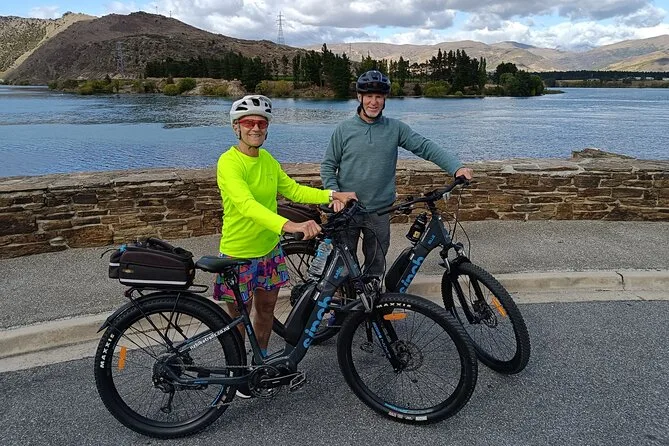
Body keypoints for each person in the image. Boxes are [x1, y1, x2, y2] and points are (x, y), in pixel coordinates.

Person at [214, 94, 356, 396]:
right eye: (248, 122)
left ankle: (260, 365)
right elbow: (246, 205)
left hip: (269, 251)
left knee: (266, 311)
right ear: (236, 127)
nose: (255, 127)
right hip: (238, 254)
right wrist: (290, 225)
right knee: (238, 319)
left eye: (261, 123)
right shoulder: (229, 162)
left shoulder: (267, 160)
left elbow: (293, 190)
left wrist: (333, 195)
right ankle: (237, 373)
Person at [321, 70, 473, 279]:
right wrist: (335, 194)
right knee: (343, 268)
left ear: (385, 99)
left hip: (380, 210)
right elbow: (328, 166)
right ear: (359, 97)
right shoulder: (344, 129)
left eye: (379, 96)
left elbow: (424, 146)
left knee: (376, 265)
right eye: (369, 96)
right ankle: (344, 298)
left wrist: (456, 167)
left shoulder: (395, 128)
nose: (373, 102)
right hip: (347, 209)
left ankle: (373, 298)